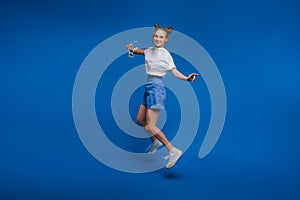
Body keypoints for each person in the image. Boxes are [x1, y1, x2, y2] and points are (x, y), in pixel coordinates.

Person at [126, 24, 199, 169]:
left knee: (151, 125)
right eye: (156, 36)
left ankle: (173, 150)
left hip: (157, 89)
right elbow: (141, 51)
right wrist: (131, 49)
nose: (158, 39)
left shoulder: (165, 54)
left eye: (161, 37)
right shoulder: (150, 51)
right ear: (153, 37)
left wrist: (186, 78)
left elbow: (174, 71)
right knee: (140, 120)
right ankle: (155, 141)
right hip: (148, 87)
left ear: (166, 40)